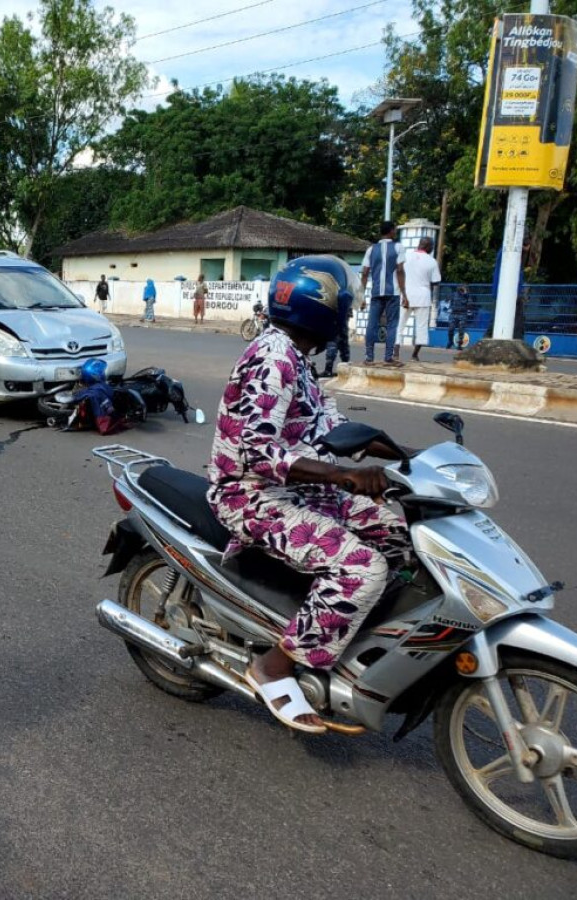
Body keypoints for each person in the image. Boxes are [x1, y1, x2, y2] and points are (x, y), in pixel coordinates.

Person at [208, 255, 411, 734]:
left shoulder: (296, 357)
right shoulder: (272, 358)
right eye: (344, 306)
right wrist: (341, 478)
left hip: (298, 491)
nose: (349, 315)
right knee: (362, 568)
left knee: (394, 529)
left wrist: (402, 452)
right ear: (320, 308)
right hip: (251, 495)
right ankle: (273, 667)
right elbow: (257, 452)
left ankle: (336, 629)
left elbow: (328, 427)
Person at [360, 221, 407, 367]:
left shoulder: (371, 249)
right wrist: (404, 293)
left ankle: (369, 357)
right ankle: (388, 357)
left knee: (372, 324)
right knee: (392, 324)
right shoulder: (398, 247)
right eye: (395, 230)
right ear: (392, 231)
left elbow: (365, 273)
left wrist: (361, 295)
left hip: (376, 293)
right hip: (393, 292)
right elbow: (400, 270)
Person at [398, 236, 441, 362]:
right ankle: (414, 355)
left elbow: (398, 273)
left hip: (406, 295)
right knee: (421, 327)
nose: (432, 248)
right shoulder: (432, 261)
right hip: (423, 297)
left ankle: (395, 352)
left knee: (399, 324)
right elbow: (436, 281)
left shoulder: (405, 256)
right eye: (432, 246)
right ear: (428, 247)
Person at [447, 284, 473, 349]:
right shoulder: (454, 294)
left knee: (461, 330)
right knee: (451, 329)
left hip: (462, 314)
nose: (461, 289)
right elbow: (449, 301)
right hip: (453, 313)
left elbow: (470, 305)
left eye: (463, 288)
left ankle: (460, 344)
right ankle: (450, 341)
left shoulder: (467, 296)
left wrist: (465, 294)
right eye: (460, 288)